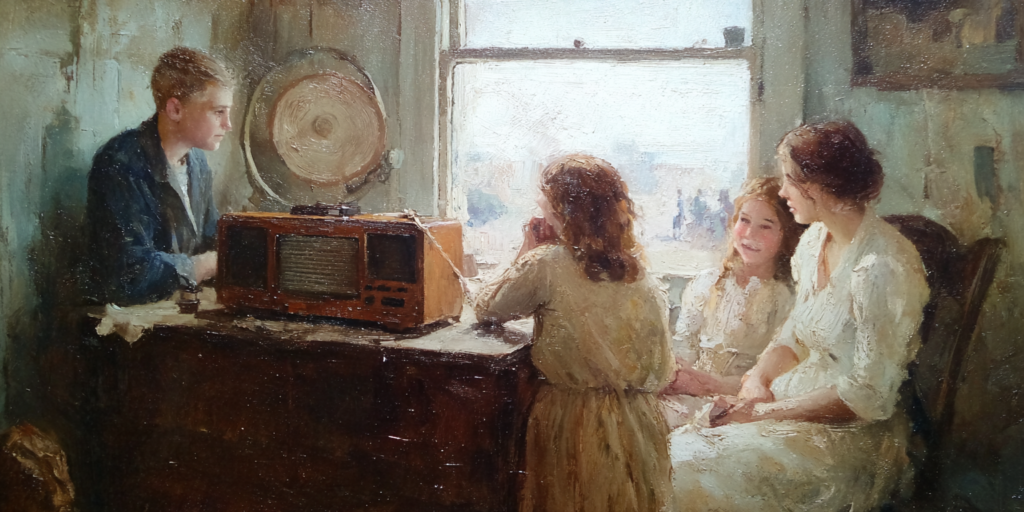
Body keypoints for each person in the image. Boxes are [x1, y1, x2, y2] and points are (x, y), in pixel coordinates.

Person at [669, 121, 930, 511]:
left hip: (847, 436)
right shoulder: (813, 242)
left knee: (683, 468)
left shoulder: (882, 267)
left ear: (819, 186)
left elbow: (867, 397)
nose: (783, 191)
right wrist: (758, 378)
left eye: (790, 180)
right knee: (669, 454)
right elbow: (795, 333)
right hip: (787, 405)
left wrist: (760, 413)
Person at [474, 155, 675, 512]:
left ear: (564, 213)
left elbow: (488, 307)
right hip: (638, 425)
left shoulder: (546, 263)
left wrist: (527, 248)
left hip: (574, 422)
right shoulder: (635, 270)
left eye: (546, 210)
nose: (541, 218)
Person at [85, 47, 234, 305]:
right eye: (218, 112)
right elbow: (130, 274)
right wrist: (208, 264)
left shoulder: (197, 163)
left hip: (176, 308)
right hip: (125, 321)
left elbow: (210, 239)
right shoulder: (121, 161)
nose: (228, 124)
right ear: (175, 109)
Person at [660, 177, 803, 429]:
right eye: (744, 220)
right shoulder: (706, 284)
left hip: (740, 407)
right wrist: (677, 372)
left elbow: (774, 382)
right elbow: (685, 346)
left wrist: (707, 384)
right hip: (689, 395)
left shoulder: (788, 297)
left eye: (766, 226)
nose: (749, 234)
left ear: (786, 235)